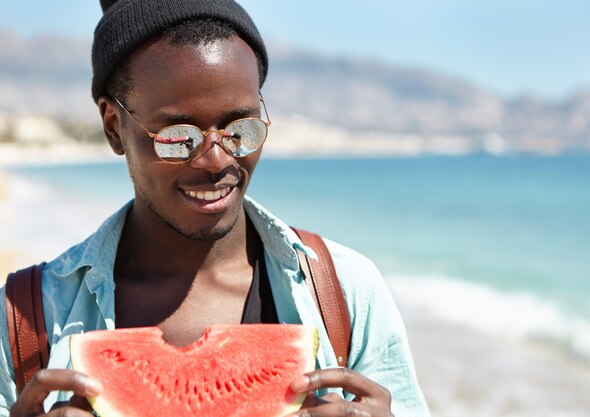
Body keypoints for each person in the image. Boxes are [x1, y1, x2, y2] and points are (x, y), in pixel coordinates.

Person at [0, 1, 430, 416]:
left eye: (239, 128)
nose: (217, 161)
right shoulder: (24, 318)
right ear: (115, 128)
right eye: (179, 135)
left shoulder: (348, 295)